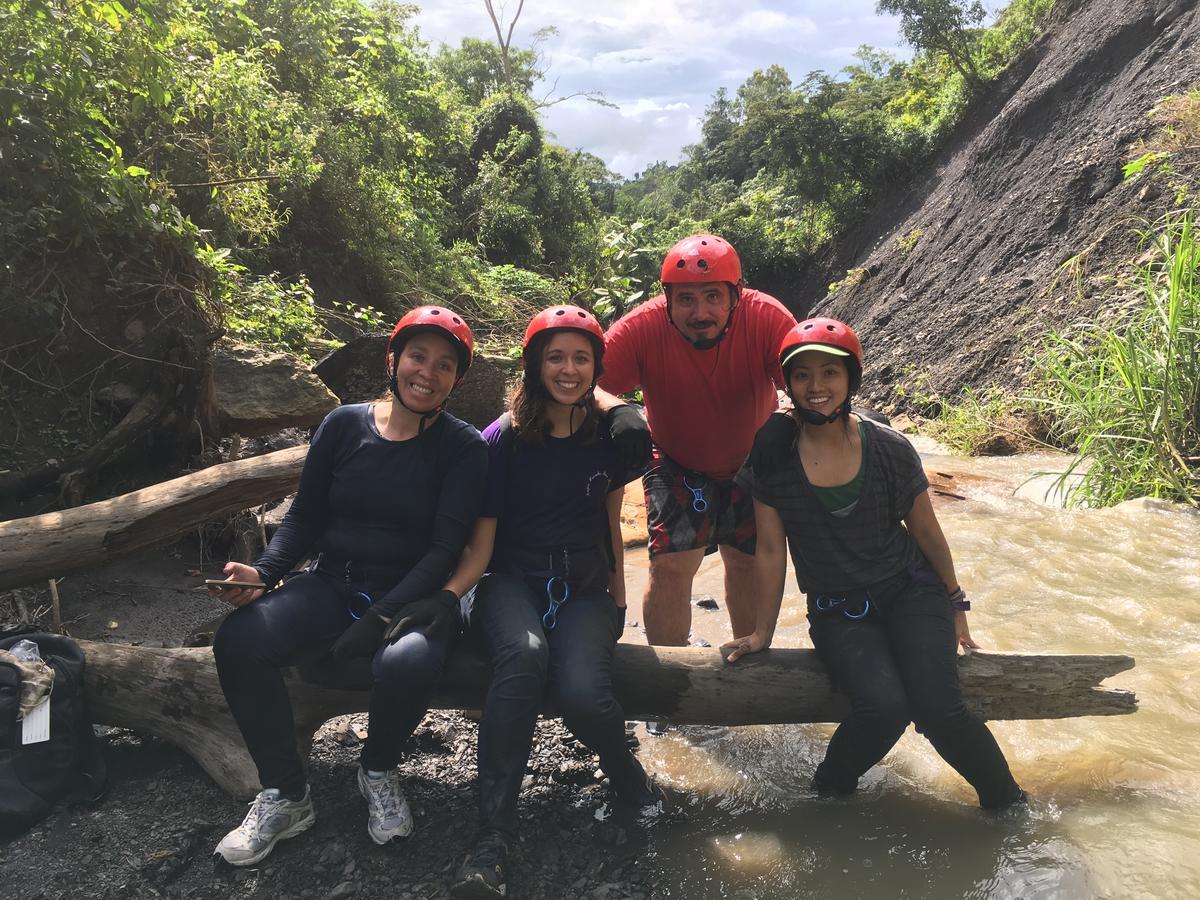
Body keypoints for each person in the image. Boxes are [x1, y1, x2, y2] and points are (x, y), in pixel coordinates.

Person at [209, 306, 489, 865]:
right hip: (332, 582)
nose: (427, 373)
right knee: (239, 639)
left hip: (412, 595)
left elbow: (443, 550)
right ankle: (287, 794)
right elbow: (304, 517)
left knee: (405, 663)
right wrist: (264, 574)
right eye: (417, 357)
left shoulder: (464, 449)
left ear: (456, 379)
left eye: (444, 365)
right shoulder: (342, 425)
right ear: (393, 360)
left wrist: (381, 617)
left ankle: (378, 769)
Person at [722, 317, 1026, 810]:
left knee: (938, 707)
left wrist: (955, 600)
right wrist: (762, 633)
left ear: (851, 380)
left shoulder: (888, 447)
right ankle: (828, 793)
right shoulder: (773, 458)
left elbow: (926, 531)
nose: (816, 386)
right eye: (802, 376)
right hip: (838, 608)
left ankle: (1010, 806)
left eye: (829, 373)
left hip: (911, 591)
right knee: (883, 707)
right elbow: (771, 551)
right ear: (788, 384)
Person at [439, 305, 657, 899]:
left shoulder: (608, 438)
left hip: (582, 586)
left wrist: (617, 599)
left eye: (580, 358)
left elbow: (611, 523)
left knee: (586, 696)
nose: (568, 369)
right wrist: (450, 596)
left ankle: (627, 774)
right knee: (525, 657)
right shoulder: (503, 438)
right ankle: (492, 839)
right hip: (509, 580)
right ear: (534, 365)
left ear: (596, 369)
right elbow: (477, 535)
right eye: (555, 357)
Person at [599, 233, 796, 652]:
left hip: (751, 461)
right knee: (670, 565)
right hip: (675, 459)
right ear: (667, 299)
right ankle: (669, 684)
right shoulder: (642, 326)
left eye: (712, 296)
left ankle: (748, 665)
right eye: (686, 299)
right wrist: (618, 411)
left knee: (745, 564)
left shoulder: (767, 318)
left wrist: (791, 420)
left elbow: (808, 380)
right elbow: (584, 382)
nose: (700, 312)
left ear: (736, 296)